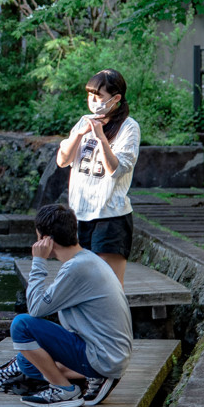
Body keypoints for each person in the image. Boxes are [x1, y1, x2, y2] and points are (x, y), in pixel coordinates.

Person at [0, 204, 132, 407]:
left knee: (21, 325)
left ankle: (64, 390)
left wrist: (38, 261)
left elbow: (35, 309)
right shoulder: (86, 260)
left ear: (46, 239)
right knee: (27, 361)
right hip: (108, 354)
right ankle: (92, 377)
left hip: (103, 357)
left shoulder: (77, 268)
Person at [55, 69, 140, 286]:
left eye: (98, 96)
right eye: (90, 96)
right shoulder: (84, 121)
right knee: (81, 284)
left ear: (116, 98)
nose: (92, 102)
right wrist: (79, 134)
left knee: (108, 285)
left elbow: (116, 169)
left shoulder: (129, 127)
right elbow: (63, 160)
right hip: (80, 214)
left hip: (110, 215)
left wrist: (101, 138)